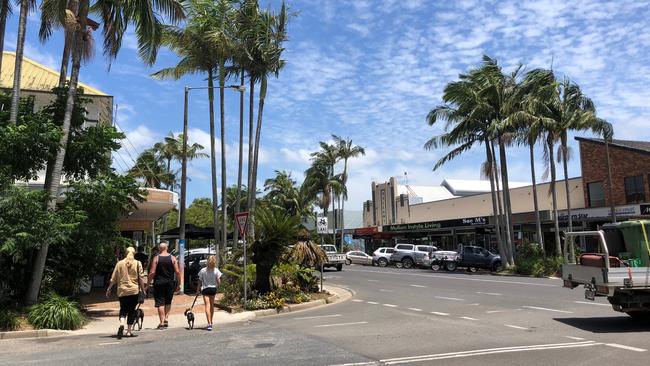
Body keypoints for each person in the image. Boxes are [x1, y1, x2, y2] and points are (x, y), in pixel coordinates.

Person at [106, 247, 146, 339]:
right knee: (132, 310)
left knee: (123, 308)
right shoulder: (137, 263)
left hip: (122, 291)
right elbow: (141, 278)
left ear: (125, 253)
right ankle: (128, 332)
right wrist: (143, 290)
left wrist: (109, 289)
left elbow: (113, 278)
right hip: (134, 291)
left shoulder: (119, 263)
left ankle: (122, 323)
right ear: (134, 253)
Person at [148, 242, 180, 329]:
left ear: (159, 249)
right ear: (167, 248)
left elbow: (152, 272)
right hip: (170, 283)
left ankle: (161, 321)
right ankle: (166, 318)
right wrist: (179, 283)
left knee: (160, 302)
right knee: (168, 301)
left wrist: (148, 282)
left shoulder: (156, 258)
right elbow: (177, 272)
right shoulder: (173, 258)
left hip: (158, 283)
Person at [196, 255, 221, 331]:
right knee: (212, 305)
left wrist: (197, 290)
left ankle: (209, 323)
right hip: (213, 289)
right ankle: (211, 321)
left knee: (207, 305)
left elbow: (199, 281)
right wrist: (217, 285)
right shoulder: (216, 270)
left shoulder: (203, 270)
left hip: (205, 289)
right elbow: (219, 282)